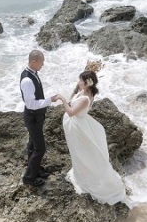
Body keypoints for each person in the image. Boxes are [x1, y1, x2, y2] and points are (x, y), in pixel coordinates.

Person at [55, 70, 130, 206]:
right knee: (80, 153)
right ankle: (81, 173)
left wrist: (62, 99)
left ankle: (88, 179)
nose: (78, 82)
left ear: (87, 83)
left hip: (78, 127)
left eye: (80, 80)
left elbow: (71, 112)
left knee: (81, 153)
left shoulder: (85, 98)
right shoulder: (86, 92)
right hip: (80, 124)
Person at [20, 49, 58, 187]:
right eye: (42, 62)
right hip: (33, 117)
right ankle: (29, 178)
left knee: (32, 145)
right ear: (34, 61)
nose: (43, 64)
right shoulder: (27, 80)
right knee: (40, 148)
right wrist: (49, 100)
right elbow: (31, 104)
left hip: (36, 116)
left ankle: (35, 170)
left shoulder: (33, 73)